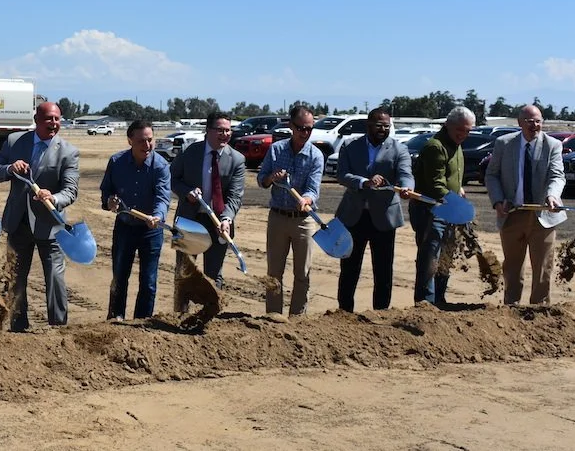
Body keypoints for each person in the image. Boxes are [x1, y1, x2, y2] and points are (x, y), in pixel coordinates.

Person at [0, 101, 80, 331]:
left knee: (55, 277)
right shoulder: (14, 141)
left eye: (57, 119)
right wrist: (10, 168)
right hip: (18, 223)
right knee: (16, 276)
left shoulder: (68, 152)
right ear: (37, 119)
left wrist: (54, 198)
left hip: (50, 225)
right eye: (49, 118)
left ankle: (58, 326)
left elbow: (70, 191)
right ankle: (18, 324)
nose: (54, 123)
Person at [334, 107, 413, 312]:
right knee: (350, 268)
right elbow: (342, 175)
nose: (383, 129)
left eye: (387, 126)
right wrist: (364, 182)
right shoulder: (350, 146)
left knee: (383, 270)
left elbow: (405, 173)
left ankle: (381, 313)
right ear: (368, 125)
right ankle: (344, 313)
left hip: (384, 218)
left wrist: (407, 187)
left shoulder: (399, 149)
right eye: (379, 125)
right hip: (354, 216)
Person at [485, 105, 566, 305]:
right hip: (512, 213)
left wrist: (552, 196)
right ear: (520, 123)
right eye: (530, 121)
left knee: (543, 268)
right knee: (512, 267)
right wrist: (497, 201)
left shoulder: (553, 145)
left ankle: (538, 312)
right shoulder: (504, 144)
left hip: (543, 215)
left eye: (538, 121)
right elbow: (492, 175)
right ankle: (511, 309)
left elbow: (557, 176)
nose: (534, 125)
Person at [169, 111, 245, 310]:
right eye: (220, 130)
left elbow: (235, 196)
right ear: (208, 131)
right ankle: (180, 315)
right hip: (189, 221)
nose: (225, 134)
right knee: (184, 271)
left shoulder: (237, 160)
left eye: (228, 130)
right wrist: (187, 193)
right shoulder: (190, 151)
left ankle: (210, 316)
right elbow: (172, 179)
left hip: (219, 224)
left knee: (214, 275)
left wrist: (227, 219)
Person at [256, 104, 325, 317]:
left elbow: (313, 189)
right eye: (301, 128)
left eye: (309, 129)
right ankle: (273, 316)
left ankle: (297, 318)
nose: (305, 133)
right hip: (278, 217)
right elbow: (261, 180)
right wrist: (272, 178)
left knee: (302, 273)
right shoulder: (276, 150)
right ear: (290, 126)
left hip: (303, 221)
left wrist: (307, 198)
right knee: (274, 273)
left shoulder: (316, 156)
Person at [99, 120, 171, 320]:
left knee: (148, 281)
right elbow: (106, 192)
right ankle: (115, 318)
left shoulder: (161, 166)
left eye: (150, 140)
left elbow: (163, 197)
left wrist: (158, 216)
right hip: (125, 228)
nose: (147, 145)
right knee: (120, 278)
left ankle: (142, 323)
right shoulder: (116, 162)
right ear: (130, 140)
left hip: (151, 230)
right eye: (141, 141)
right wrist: (109, 202)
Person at [411, 106, 475, 307]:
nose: (463, 134)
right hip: (431, 211)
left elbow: (451, 178)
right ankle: (425, 304)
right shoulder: (435, 147)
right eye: (460, 129)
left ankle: (440, 299)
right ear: (448, 124)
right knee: (430, 257)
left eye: (468, 131)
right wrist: (457, 203)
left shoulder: (456, 146)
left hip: (449, 209)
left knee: (445, 257)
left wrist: (460, 190)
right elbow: (435, 184)